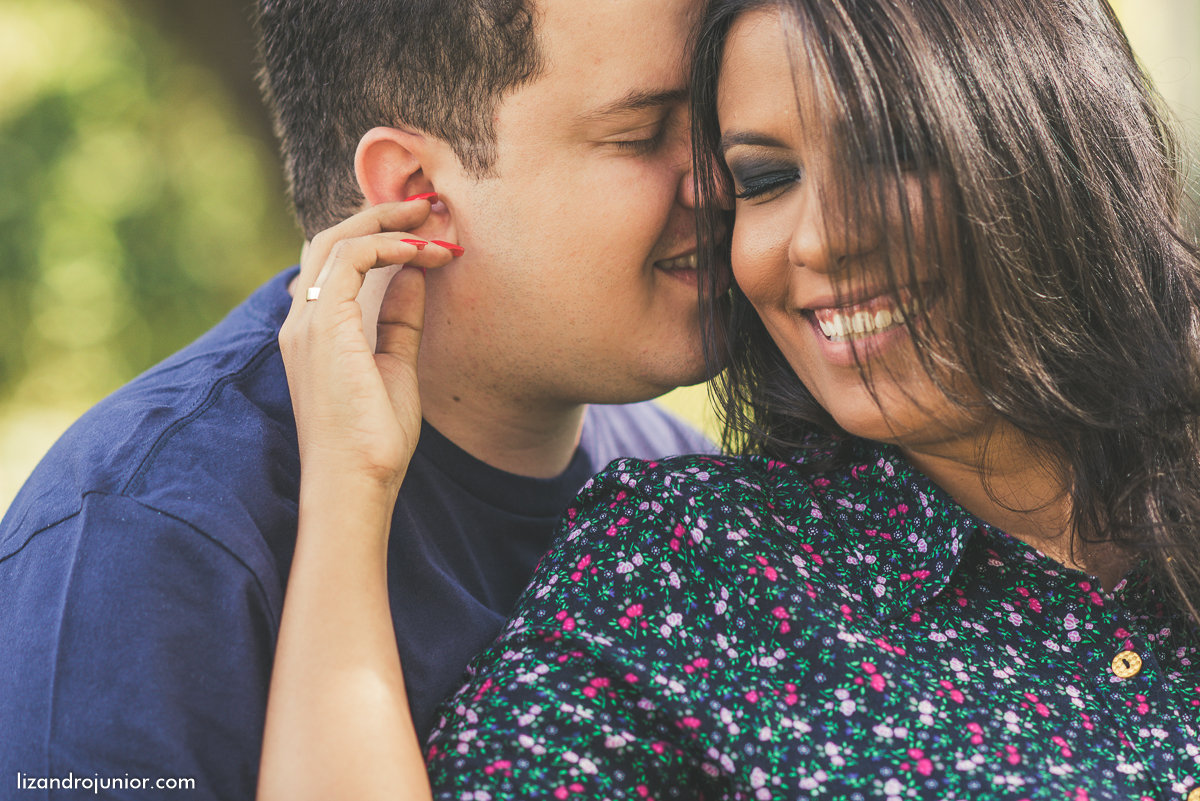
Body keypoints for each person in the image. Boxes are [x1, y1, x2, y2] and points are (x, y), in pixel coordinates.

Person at [260, 0, 1200, 797]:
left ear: (1050, 143)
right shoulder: (690, 571)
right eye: (765, 180)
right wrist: (350, 482)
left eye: (889, 154)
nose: (817, 241)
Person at [0, 0, 715, 797]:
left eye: (716, 121)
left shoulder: (687, 485)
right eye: (643, 135)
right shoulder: (143, 537)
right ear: (416, 191)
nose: (720, 182)